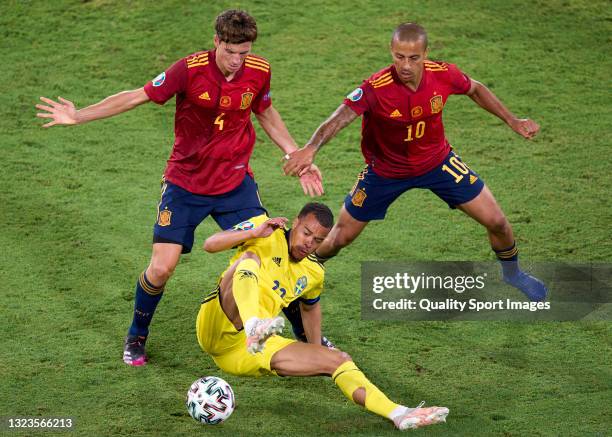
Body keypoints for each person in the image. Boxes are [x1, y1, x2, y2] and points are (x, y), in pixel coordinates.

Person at [35, 10, 324, 367]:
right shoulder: (188, 69)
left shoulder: (260, 71)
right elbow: (137, 96)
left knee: (276, 248)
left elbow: (264, 112)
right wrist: (79, 115)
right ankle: (137, 334)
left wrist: (296, 153)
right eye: (230, 51)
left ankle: (302, 332)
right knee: (161, 268)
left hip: (234, 183)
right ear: (217, 41)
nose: (236, 61)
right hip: (185, 185)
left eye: (244, 53)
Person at [283, 22, 547, 303]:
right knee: (340, 238)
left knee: (497, 222)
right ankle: (300, 272)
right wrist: (312, 147)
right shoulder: (376, 88)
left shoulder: (443, 74)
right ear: (391, 52)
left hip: (437, 163)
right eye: (399, 57)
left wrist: (512, 120)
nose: (405, 65)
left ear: (425, 54)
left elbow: (475, 89)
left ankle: (513, 274)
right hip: (385, 172)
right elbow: (340, 117)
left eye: (413, 58)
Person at [197, 203, 449, 430]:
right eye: (306, 233)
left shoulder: (313, 272)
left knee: (338, 359)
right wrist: (253, 233)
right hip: (217, 324)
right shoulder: (264, 228)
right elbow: (210, 244)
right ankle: (254, 326)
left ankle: (399, 414)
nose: (309, 243)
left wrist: (317, 352)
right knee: (248, 258)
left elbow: (310, 308)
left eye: (317, 240)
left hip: (247, 352)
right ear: (295, 222)